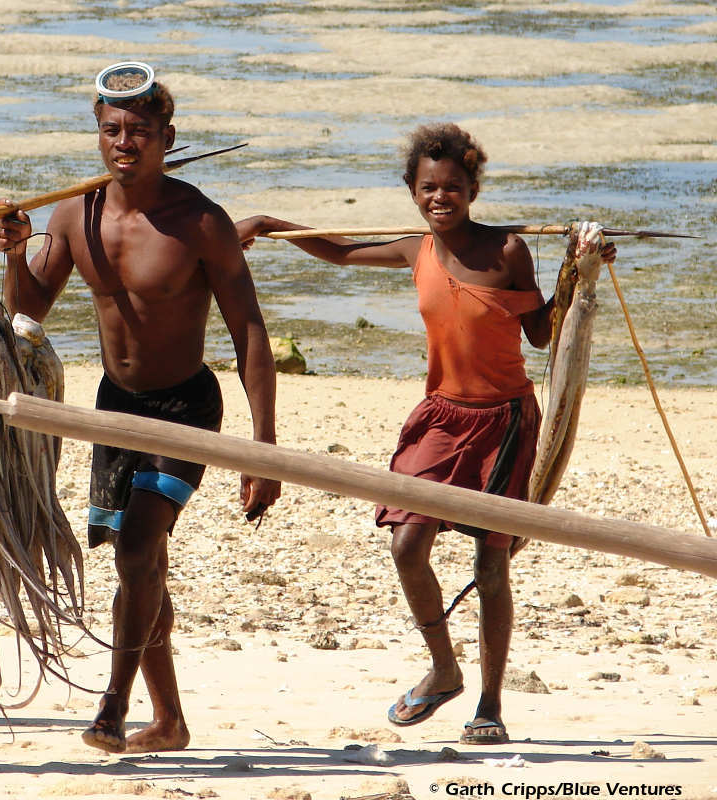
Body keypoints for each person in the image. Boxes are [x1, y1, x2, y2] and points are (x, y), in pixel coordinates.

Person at [237, 122, 616, 745]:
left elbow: (542, 335)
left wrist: (582, 270)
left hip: (505, 426)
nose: (441, 198)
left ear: (473, 189)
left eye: (454, 188)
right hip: (440, 417)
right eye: (428, 187)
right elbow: (339, 252)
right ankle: (444, 669)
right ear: (412, 190)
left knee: (492, 567)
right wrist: (270, 223)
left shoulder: (509, 252)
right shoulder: (417, 250)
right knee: (407, 545)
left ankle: (491, 705)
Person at [0, 66, 281, 755]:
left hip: (186, 406)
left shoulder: (201, 222)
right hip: (114, 406)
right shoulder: (75, 214)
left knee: (138, 547)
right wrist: (11, 253)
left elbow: (251, 332)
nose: (125, 142)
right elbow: (28, 310)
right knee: (140, 567)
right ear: (99, 135)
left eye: (140, 132)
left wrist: (263, 449)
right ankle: (171, 720)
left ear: (167, 137)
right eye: (111, 130)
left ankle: (115, 704)